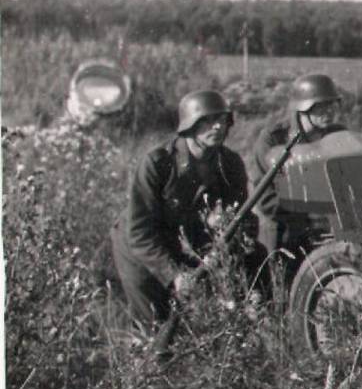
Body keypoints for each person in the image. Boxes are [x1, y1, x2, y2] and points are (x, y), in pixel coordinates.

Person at [110, 89, 259, 341]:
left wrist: (234, 242)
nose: (218, 126)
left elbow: (243, 217)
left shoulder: (230, 163)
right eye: (207, 121)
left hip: (187, 243)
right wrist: (173, 275)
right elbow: (140, 232)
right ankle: (142, 360)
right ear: (190, 125)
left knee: (194, 325)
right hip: (141, 249)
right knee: (153, 328)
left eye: (222, 120)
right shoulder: (158, 163)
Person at [252, 74, 346, 258]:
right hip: (286, 231)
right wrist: (308, 214)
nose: (329, 111)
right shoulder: (273, 139)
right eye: (321, 106)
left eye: (332, 105)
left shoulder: (339, 135)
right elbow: (266, 199)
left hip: (330, 228)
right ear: (303, 107)